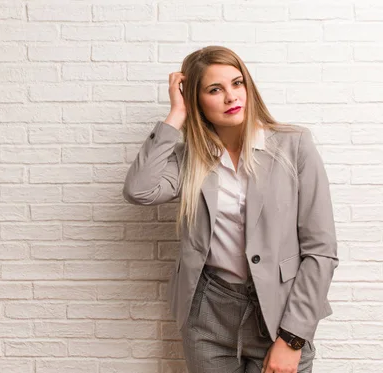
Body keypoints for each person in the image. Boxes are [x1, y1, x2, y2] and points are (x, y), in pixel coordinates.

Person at [122, 45, 338, 373]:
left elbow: (321, 251)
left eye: (237, 83)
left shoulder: (294, 145)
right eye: (214, 89)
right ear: (196, 99)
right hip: (208, 314)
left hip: (279, 313)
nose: (231, 97)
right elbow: (140, 190)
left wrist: (292, 339)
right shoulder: (189, 157)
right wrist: (176, 116)